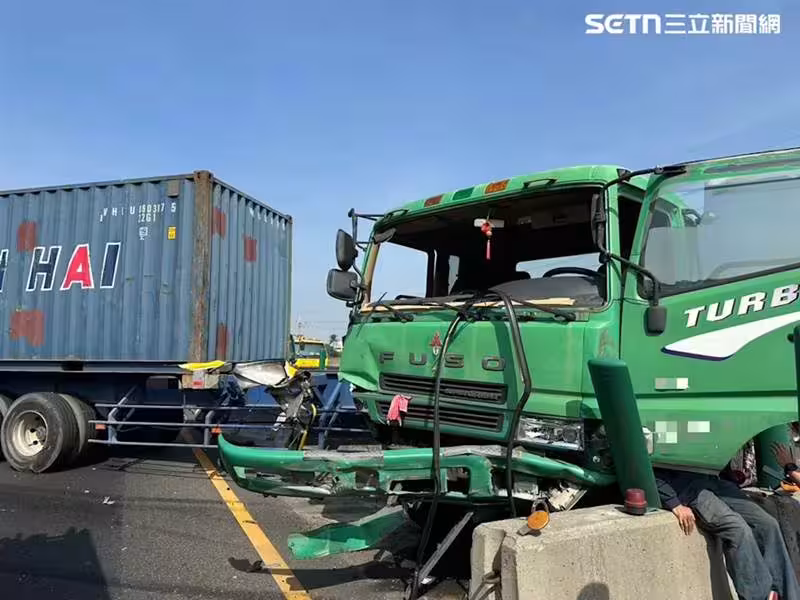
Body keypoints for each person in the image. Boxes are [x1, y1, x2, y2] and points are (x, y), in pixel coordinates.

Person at [654, 467, 800, 600]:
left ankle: (790, 596)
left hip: (714, 480)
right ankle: (759, 596)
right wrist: (674, 503)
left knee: (768, 524)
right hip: (686, 489)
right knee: (738, 530)